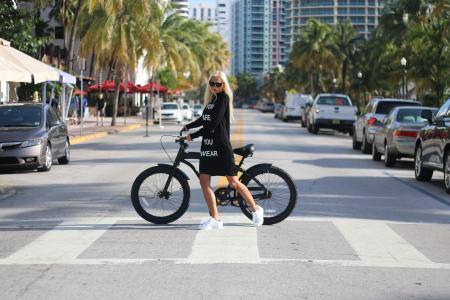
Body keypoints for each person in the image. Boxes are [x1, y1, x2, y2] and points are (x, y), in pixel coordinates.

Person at [182, 71, 264, 230]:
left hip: (221, 147)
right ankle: (215, 219)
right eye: (212, 83)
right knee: (204, 182)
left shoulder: (224, 99)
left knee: (233, 182)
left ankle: (256, 209)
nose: (214, 86)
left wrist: (193, 136)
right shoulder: (212, 100)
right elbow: (204, 120)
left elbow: (212, 125)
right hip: (207, 146)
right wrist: (188, 126)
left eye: (218, 84)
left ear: (224, 85)